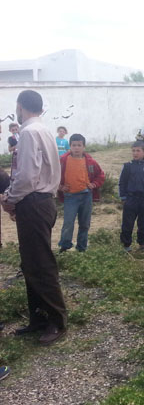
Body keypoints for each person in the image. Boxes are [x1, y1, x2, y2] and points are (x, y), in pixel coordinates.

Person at [1, 90, 67, 345]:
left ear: (20, 106)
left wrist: (9, 198)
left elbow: (27, 176)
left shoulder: (28, 132)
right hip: (40, 202)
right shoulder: (43, 129)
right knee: (32, 264)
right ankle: (39, 319)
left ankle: (57, 321)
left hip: (34, 202)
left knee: (40, 264)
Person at [57, 133, 105, 253]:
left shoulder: (90, 161)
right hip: (70, 197)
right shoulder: (63, 160)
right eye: (74, 145)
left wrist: (94, 184)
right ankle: (65, 246)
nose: (76, 148)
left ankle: (82, 247)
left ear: (84, 147)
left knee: (84, 223)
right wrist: (60, 187)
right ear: (70, 146)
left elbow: (100, 175)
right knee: (68, 223)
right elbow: (53, 175)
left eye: (79, 145)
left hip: (86, 195)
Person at [119, 141, 144, 252]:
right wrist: (123, 198)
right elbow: (122, 183)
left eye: (138, 151)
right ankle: (126, 245)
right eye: (133, 151)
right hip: (131, 199)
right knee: (128, 223)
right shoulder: (127, 166)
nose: (135, 153)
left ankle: (142, 243)